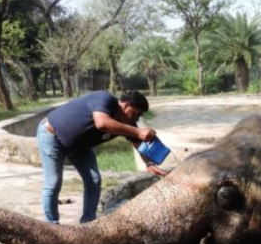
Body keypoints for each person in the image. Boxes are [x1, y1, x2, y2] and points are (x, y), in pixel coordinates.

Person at [37, 90, 168, 224]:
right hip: (52, 137)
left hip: (81, 146)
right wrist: (138, 131)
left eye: (139, 116)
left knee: (93, 181)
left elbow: (138, 144)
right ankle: (52, 225)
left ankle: (88, 223)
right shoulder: (105, 98)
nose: (136, 119)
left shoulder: (129, 124)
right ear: (125, 105)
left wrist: (149, 164)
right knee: (53, 183)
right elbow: (102, 123)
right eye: (135, 114)